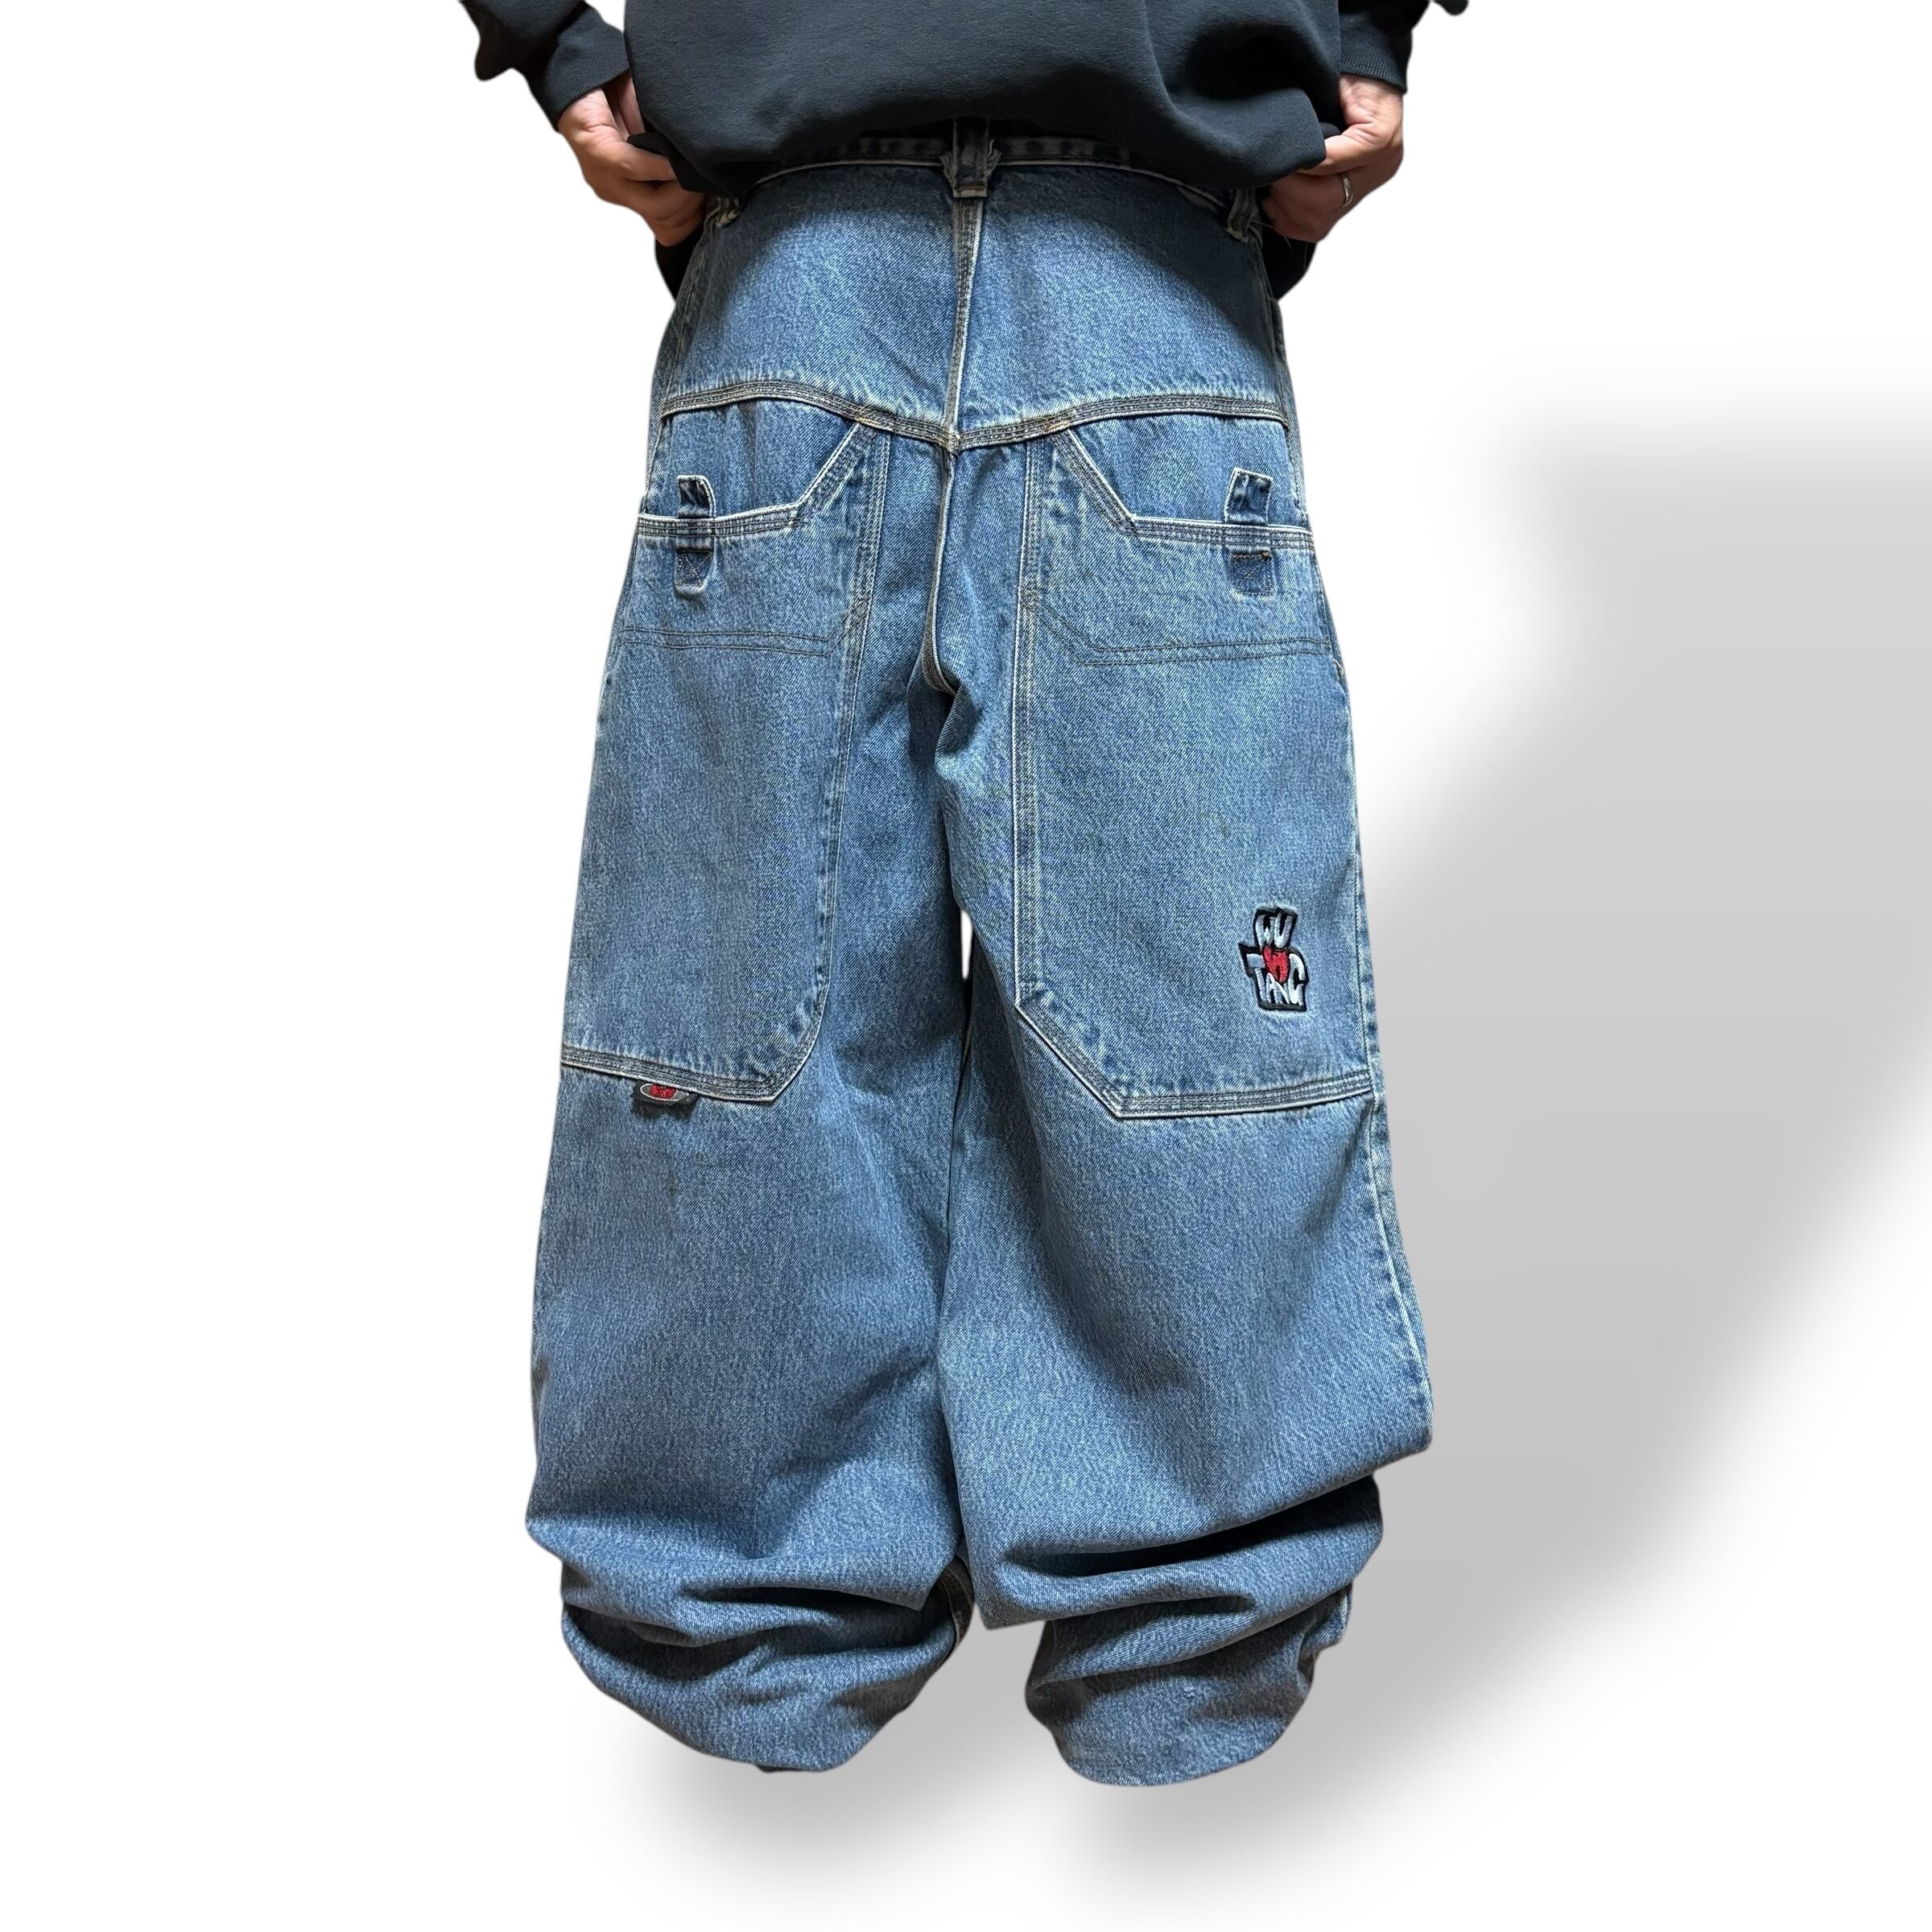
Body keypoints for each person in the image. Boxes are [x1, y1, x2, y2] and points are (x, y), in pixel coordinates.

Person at [462, 0, 1459, 1786]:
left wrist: (553, 46)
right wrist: (1360, 28)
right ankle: (1183, 1652)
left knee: (738, 1036)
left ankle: (747, 1638)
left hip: (797, 273)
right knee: (1190, 1042)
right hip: (1143, 277)